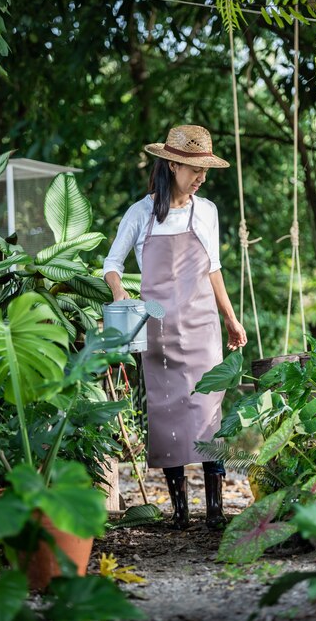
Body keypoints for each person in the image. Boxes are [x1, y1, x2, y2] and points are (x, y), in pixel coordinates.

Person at [104, 125, 247, 530]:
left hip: (203, 327)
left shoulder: (208, 211)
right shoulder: (140, 212)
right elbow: (112, 264)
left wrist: (231, 318)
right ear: (172, 164)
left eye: (205, 169)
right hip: (159, 330)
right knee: (168, 420)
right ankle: (181, 512)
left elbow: (214, 269)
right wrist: (119, 296)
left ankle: (215, 511)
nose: (201, 177)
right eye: (193, 168)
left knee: (208, 416)